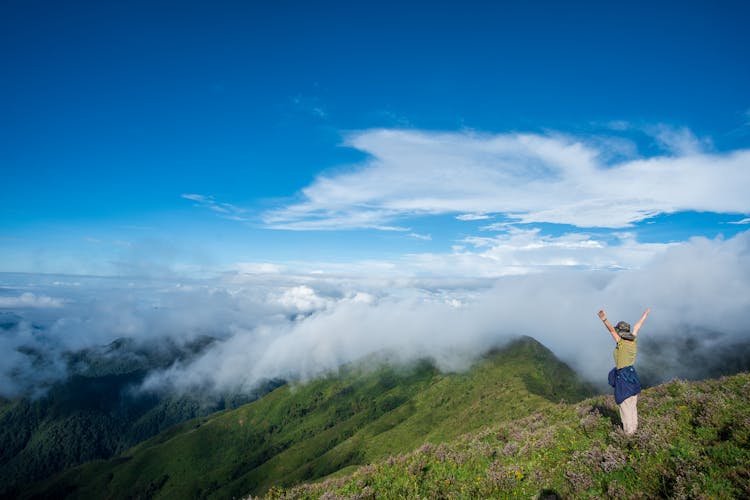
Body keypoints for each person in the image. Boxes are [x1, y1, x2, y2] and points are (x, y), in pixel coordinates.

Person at [597, 307, 650, 435]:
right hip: (633, 376)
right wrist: (644, 315)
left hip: (623, 378)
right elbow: (637, 327)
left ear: (620, 332)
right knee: (632, 406)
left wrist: (604, 319)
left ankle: (629, 436)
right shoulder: (633, 340)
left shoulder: (621, 342)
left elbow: (611, 330)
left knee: (625, 408)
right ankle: (635, 432)